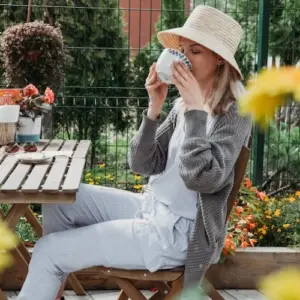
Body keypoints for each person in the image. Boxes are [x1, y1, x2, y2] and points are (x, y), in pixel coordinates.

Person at [18, 5, 252, 300]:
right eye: (182, 50)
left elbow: (204, 180)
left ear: (219, 59)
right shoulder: (185, 103)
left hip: (178, 235)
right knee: (59, 203)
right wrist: (154, 108)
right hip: (152, 209)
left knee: (48, 251)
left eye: (195, 51)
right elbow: (141, 163)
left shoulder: (234, 112)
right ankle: (50, 285)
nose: (183, 59)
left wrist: (194, 110)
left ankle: (48, 272)